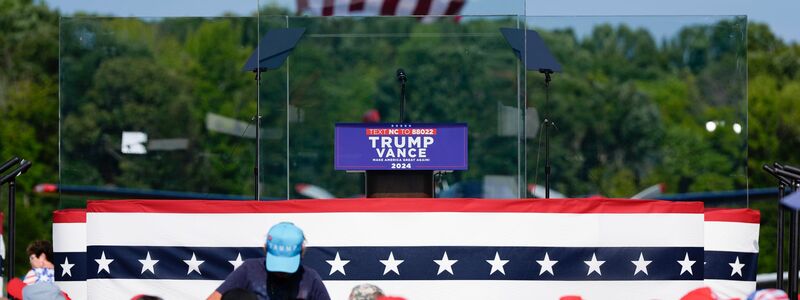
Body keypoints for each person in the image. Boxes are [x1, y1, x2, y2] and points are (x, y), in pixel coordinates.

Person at [207, 222, 330, 300]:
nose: (281, 272)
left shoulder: (310, 279)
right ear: (264, 249)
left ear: (302, 251)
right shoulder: (249, 270)